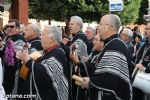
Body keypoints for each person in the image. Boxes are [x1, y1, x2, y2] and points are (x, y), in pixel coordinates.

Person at [70, 14, 132, 100]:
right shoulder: (112, 44)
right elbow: (101, 70)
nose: (98, 27)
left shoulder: (116, 45)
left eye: (100, 24)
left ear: (108, 26)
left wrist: (90, 82)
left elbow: (110, 78)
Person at [16, 25, 69, 100]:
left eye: (43, 34)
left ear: (51, 38)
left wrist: (28, 60)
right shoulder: (49, 51)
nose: (40, 37)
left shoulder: (58, 53)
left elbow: (44, 74)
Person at [16, 23, 43, 99]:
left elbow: (29, 64)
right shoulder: (31, 43)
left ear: (34, 32)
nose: (24, 31)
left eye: (27, 30)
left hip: (29, 81)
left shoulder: (37, 44)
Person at [3, 19, 26, 94]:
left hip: (15, 71)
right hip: (7, 69)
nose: (9, 28)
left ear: (18, 28)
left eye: (12, 26)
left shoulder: (20, 38)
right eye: (8, 26)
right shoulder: (9, 38)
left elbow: (16, 54)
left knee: (12, 92)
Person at [133, 23, 150, 100]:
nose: (145, 30)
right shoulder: (145, 44)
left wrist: (144, 69)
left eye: (147, 29)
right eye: (145, 28)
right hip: (138, 81)